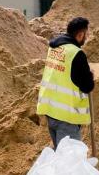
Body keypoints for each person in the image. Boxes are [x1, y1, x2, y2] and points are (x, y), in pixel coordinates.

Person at [36, 16, 95, 149]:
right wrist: (90, 75)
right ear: (80, 34)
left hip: (51, 110)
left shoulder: (55, 48)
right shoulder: (76, 53)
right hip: (66, 115)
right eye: (86, 34)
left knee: (60, 157)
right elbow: (87, 86)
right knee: (69, 160)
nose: (86, 37)